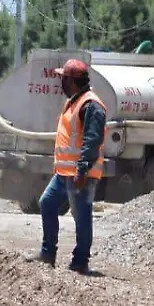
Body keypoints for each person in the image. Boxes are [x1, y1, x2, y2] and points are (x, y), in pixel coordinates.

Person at [26, 59, 107, 274]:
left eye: (63, 78)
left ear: (72, 81)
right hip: (65, 173)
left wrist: (82, 170)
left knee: (81, 216)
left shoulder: (91, 105)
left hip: (80, 173)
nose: (61, 82)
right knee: (47, 203)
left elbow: (92, 140)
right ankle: (48, 253)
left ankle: (80, 262)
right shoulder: (74, 101)